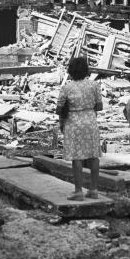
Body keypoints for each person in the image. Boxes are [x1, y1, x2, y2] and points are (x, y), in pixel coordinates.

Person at [56, 56, 103, 200]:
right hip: (90, 121)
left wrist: (63, 120)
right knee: (93, 155)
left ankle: (78, 191)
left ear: (71, 70)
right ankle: (94, 190)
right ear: (86, 70)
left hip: (73, 122)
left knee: (77, 157)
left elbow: (59, 109)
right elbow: (99, 106)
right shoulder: (94, 85)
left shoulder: (67, 87)